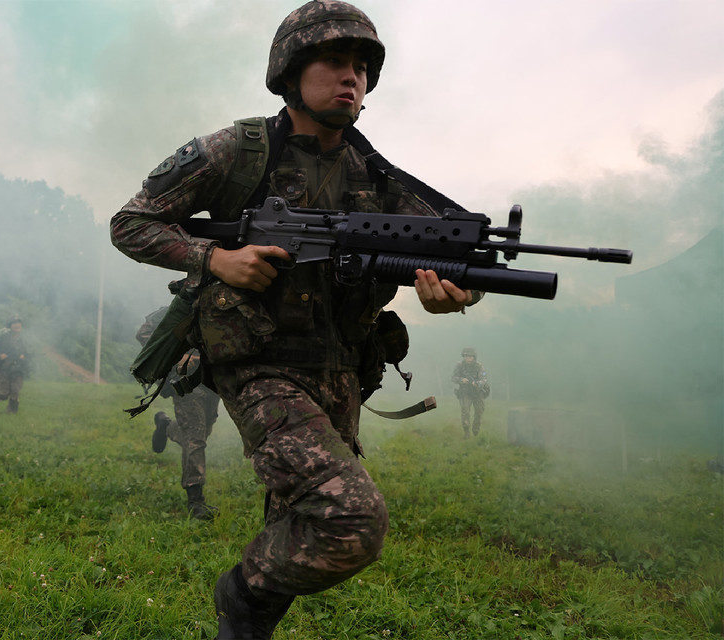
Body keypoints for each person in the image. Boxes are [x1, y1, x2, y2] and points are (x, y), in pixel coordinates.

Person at [110, 2, 478, 636]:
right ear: (289, 71)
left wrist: (456, 293)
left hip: (341, 371)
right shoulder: (235, 151)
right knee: (348, 518)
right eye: (334, 62)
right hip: (259, 365)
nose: (352, 79)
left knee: (298, 517)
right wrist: (215, 258)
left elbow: (459, 259)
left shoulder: (378, 176)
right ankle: (242, 596)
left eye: (362, 67)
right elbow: (131, 223)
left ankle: (245, 628)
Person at [138, 305, 222, 520]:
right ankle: (195, 501)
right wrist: (178, 358)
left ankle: (166, 426)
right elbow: (144, 334)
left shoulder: (220, 306)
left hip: (211, 381)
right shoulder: (177, 308)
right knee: (195, 437)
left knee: (202, 434)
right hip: (184, 382)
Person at [0, 315, 29, 414]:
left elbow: (30, 352)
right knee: (3, 393)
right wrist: (0, 354)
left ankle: (11, 412)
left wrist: (24, 356)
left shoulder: (25, 339)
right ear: (10, 326)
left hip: (18, 369)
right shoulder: (3, 337)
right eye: (14, 323)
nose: (17, 325)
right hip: (4, 369)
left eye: (18, 323)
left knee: (15, 391)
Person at [451, 347, 489, 438]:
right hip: (465, 392)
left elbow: (484, 379)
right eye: (466, 356)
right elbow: (453, 378)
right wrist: (461, 380)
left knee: (479, 411)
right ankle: (466, 431)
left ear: (474, 357)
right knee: (465, 411)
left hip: (478, 392)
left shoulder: (479, 366)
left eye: (470, 356)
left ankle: (476, 429)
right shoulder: (460, 365)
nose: (468, 358)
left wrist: (477, 384)